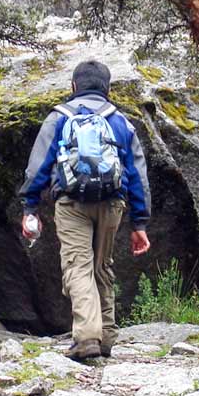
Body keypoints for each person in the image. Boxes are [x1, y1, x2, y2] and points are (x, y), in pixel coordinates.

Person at [19, 60, 151, 360]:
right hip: (112, 203)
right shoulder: (121, 122)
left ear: (74, 86)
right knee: (102, 267)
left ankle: (87, 338)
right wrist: (139, 223)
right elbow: (138, 176)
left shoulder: (60, 117)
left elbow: (38, 166)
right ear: (107, 88)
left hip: (72, 203)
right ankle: (105, 337)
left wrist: (30, 207)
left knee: (78, 266)